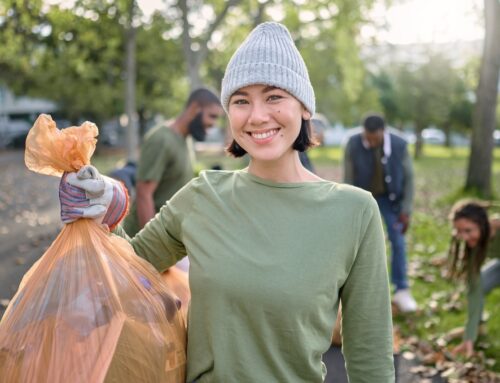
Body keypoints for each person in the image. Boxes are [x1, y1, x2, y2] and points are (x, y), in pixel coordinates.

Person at [59, 22, 395, 382]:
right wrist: (104, 214)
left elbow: (370, 351)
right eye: (241, 101)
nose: (257, 115)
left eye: (274, 96)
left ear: (305, 108)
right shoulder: (203, 196)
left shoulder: (354, 212)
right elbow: (127, 274)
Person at [122, 88, 224, 236]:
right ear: (195, 109)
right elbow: (144, 193)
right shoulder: (161, 140)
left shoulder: (186, 139)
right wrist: (152, 245)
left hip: (171, 238)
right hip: (144, 243)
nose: (213, 124)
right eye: (212, 116)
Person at [343, 114, 417, 313]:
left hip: (391, 200)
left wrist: (406, 210)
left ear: (383, 131)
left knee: (398, 241)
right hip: (362, 198)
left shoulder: (400, 145)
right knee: (358, 244)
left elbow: (409, 179)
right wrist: (348, 206)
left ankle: (402, 289)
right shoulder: (353, 143)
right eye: (367, 137)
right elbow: (348, 176)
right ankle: (359, 290)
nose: (371, 141)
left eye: (374, 138)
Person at [448, 200, 500, 358]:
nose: (463, 237)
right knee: (477, 284)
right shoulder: (475, 242)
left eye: (468, 230)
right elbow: (475, 290)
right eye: (459, 231)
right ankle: (477, 327)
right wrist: (469, 337)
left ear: (482, 224)